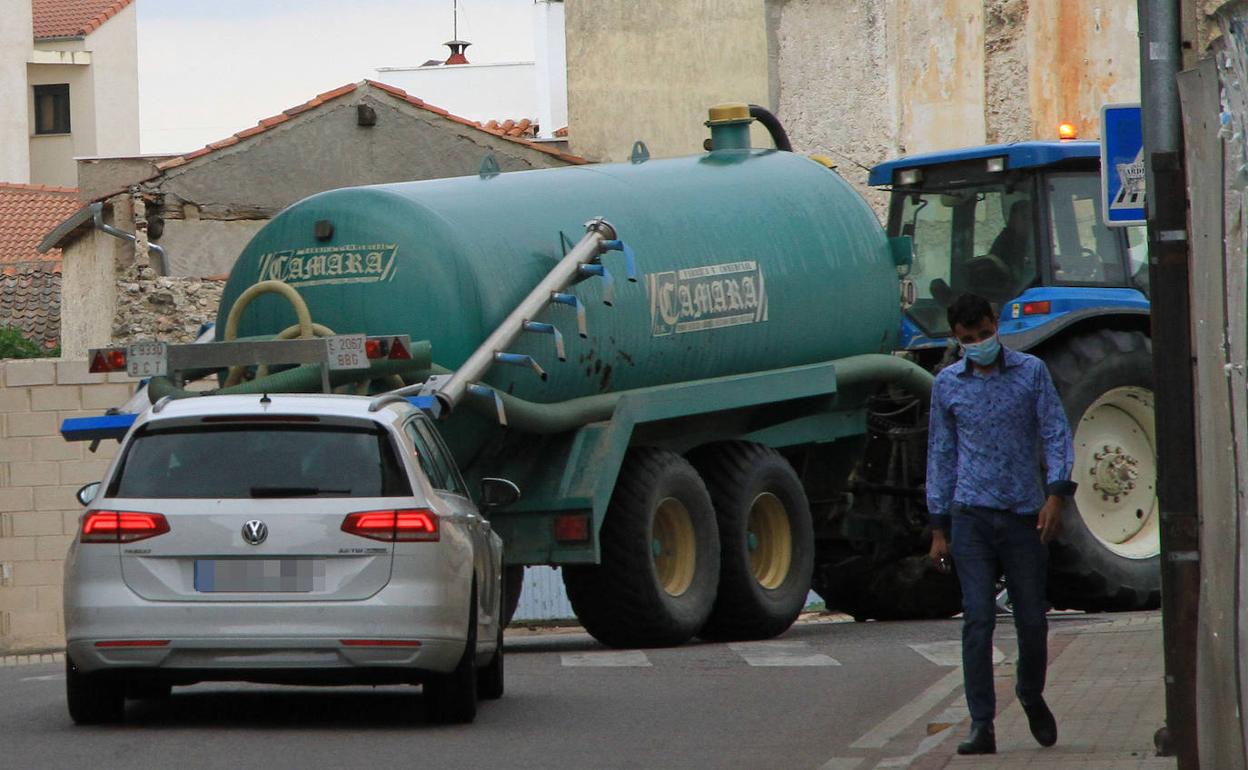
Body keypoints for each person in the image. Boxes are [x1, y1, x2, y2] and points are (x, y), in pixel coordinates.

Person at [926, 292, 1076, 756]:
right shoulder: (947, 385)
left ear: (997, 324)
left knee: (1031, 618)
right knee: (978, 618)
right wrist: (938, 526)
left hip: (1022, 515)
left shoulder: (1030, 373)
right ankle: (981, 724)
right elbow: (941, 453)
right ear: (956, 338)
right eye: (968, 338)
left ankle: (1029, 692)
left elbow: (1054, 431)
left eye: (985, 333)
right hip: (970, 516)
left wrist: (1056, 494)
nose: (978, 343)